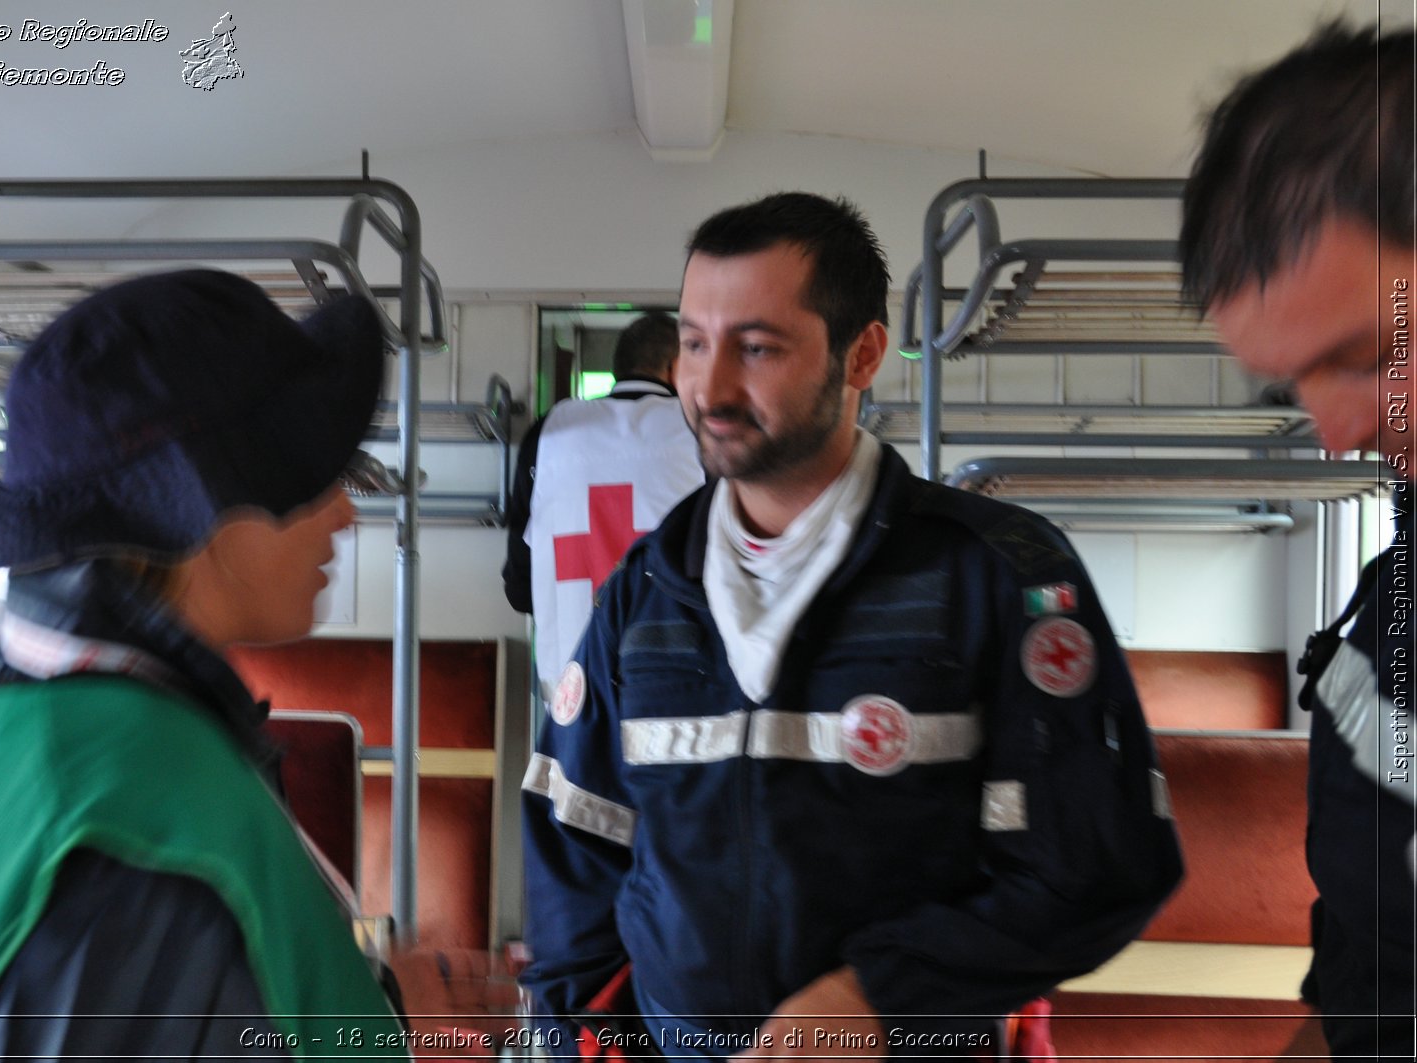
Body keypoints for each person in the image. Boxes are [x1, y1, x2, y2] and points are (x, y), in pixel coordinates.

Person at [520, 192, 1183, 1059]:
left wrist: (881, 994)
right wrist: (589, 1044)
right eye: (692, 342)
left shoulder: (1000, 574)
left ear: (862, 352)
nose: (709, 387)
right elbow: (577, 846)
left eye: (756, 347)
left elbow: (1100, 862)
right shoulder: (643, 592)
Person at [0, 270, 406, 1058]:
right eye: (310, 472)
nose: (345, 511)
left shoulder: (46, 720)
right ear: (195, 506)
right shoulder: (133, 848)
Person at [1180, 23, 1415, 1060]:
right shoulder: (1388, 609)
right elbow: (1370, 972)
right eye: (1292, 385)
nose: (1336, 432)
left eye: (1363, 355)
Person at [502, 310, 703, 700]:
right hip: (671, 682)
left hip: (571, 691)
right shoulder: (700, 431)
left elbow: (519, 588)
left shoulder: (549, 431)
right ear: (676, 366)